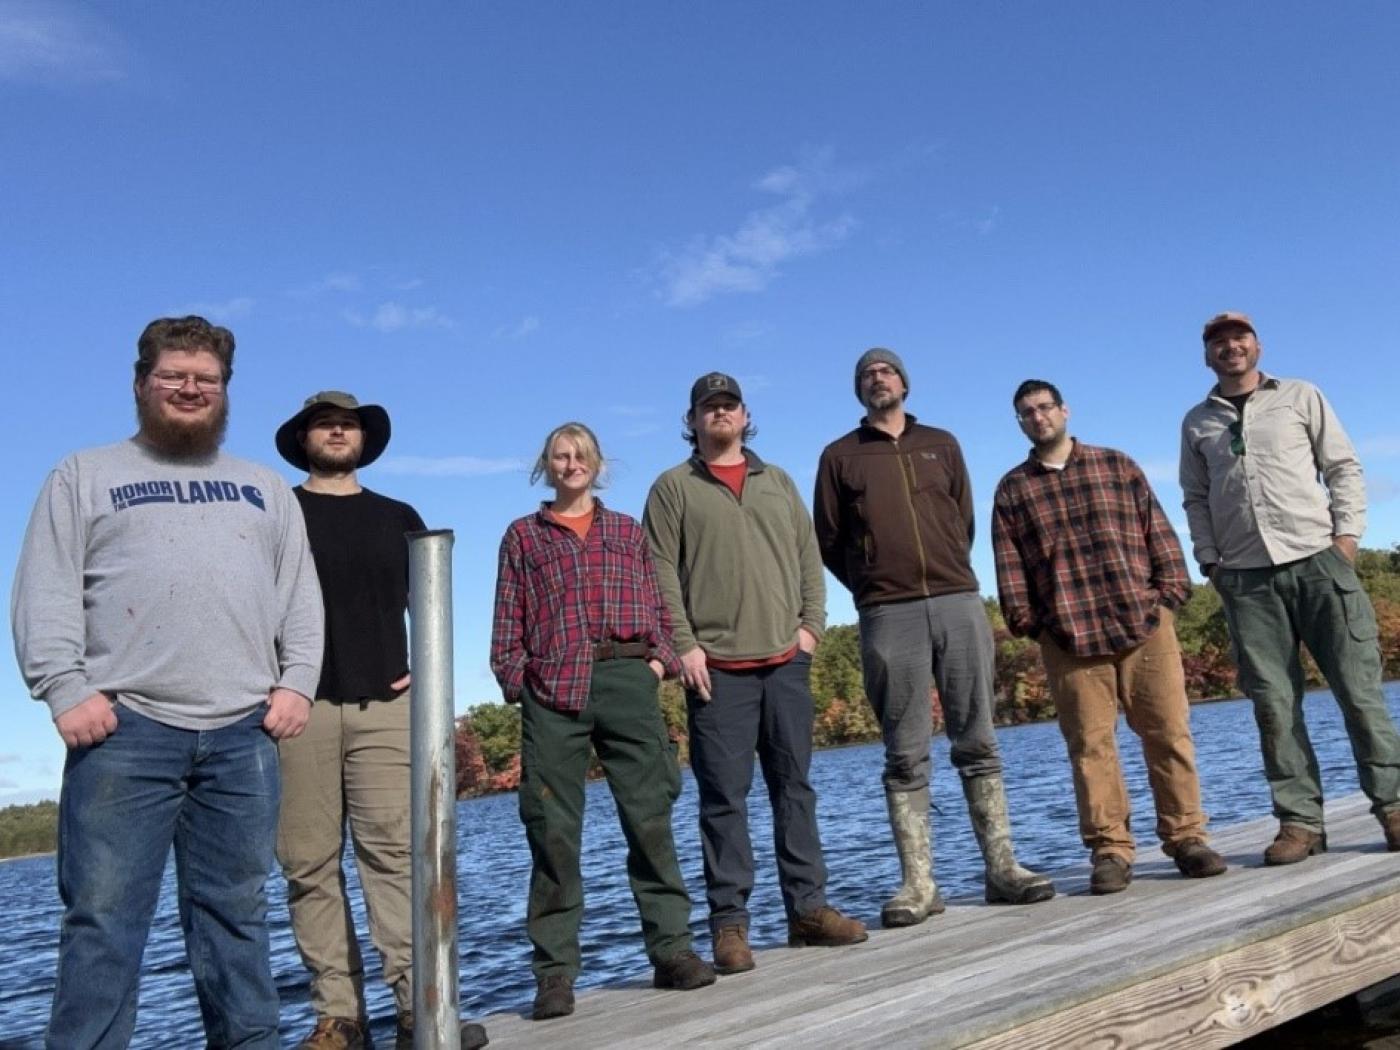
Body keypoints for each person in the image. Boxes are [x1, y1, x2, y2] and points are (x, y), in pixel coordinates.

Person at [10, 316, 324, 1049]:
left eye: (205, 379)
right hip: (125, 733)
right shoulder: (83, 474)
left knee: (237, 918)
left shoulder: (263, 487)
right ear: (141, 383)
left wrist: (297, 683)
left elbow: (300, 598)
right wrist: (63, 685)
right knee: (103, 922)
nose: (190, 389)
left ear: (225, 392)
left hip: (243, 732)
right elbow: (44, 589)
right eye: (173, 375)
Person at [273, 391, 488, 1050]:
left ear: (362, 440)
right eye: (325, 423)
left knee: (397, 856)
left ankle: (415, 1004)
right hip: (298, 711)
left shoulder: (399, 516)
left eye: (349, 425)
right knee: (308, 864)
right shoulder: (277, 513)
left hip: (387, 710)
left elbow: (430, 599)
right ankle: (338, 1016)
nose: (338, 431)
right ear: (304, 437)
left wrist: (427, 670)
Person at [813, 348, 1052, 927]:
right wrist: (874, 582)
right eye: (867, 374)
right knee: (904, 751)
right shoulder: (839, 456)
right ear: (858, 390)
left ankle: (1002, 869)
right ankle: (919, 884)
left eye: (887, 371)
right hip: (887, 613)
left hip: (957, 601)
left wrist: (945, 573)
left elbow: (963, 520)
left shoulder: (942, 443)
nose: (878, 379)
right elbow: (829, 540)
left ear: (904, 383)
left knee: (978, 739)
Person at [491, 422, 715, 1021]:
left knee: (650, 820)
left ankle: (671, 951)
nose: (571, 464)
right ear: (547, 465)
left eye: (581, 455)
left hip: (626, 680)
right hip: (553, 690)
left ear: (596, 464)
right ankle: (555, 974)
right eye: (561, 456)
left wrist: (658, 664)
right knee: (552, 832)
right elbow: (506, 623)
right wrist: (519, 683)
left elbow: (662, 604)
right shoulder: (522, 537)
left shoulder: (625, 531)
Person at [644, 373, 866, 976]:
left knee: (795, 788)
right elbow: (661, 571)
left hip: (785, 662)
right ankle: (730, 926)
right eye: (708, 407)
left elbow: (807, 558)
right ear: (691, 419)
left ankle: (808, 910)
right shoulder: (671, 489)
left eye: (729, 406)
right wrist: (684, 647)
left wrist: (811, 630)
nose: (720, 414)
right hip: (716, 670)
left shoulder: (779, 481)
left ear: (745, 416)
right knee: (723, 801)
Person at [991, 379, 1227, 894]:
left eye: (1045, 407)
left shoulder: (1116, 465)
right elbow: (1009, 569)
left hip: (1143, 625)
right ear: (1020, 422)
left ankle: (1187, 837)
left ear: (1064, 410)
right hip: (1070, 639)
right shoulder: (1013, 489)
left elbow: (1158, 531)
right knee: (1090, 748)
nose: (1038, 417)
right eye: (1026, 412)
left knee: (1169, 733)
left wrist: (1169, 596)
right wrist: (1034, 625)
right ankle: (1111, 850)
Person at [1180, 312, 1400, 863]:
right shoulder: (1196, 422)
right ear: (1207, 355)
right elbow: (1195, 498)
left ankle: (1394, 806)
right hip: (1247, 580)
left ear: (1256, 345)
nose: (1231, 347)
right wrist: (1210, 561)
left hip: (1319, 563)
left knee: (1359, 695)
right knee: (1274, 706)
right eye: (1219, 342)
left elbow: (1343, 467)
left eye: (1239, 338)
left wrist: (1346, 539)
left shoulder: (1301, 396)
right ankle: (1300, 823)